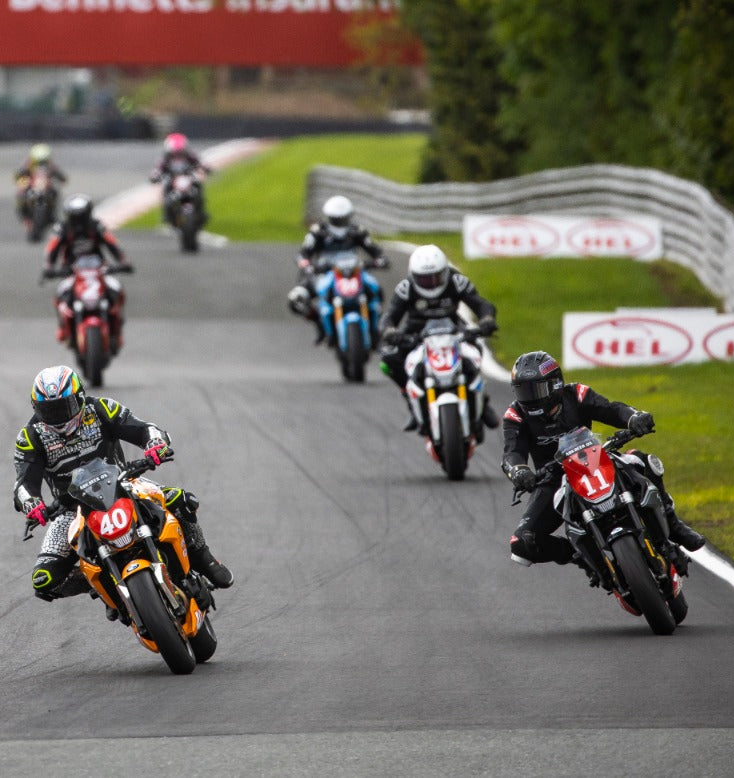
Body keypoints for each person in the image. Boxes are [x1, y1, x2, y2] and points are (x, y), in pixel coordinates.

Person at [14, 365, 234, 602]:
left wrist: (155, 444)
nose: (58, 417)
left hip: (123, 486)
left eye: (63, 407)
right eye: (50, 410)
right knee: (44, 580)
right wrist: (32, 504)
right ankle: (103, 584)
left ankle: (205, 559)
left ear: (79, 398)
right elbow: (24, 485)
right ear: (36, 408)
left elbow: (143, 429)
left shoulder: (100, 409)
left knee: (182, 500)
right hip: (71, 510)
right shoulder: (30, 437)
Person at [501, 350, 706, 572]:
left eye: (535, 390)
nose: (529, 399)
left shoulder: (577, 394)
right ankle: (580, 555)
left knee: (641, 460)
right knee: (521, 543)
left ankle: (672, 525)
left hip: (595, 461)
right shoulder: (515, 415)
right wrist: (519, 471)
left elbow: (611, 409)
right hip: (553, 480)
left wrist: (634, 417)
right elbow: (512, 452)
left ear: (555, 384)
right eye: (523, 392)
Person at [378, 244, 498, 430]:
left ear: (444, 271)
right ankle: (411, 400)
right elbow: (390, 316)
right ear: (414, 275)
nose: (431, 282)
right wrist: (389, 331)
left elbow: (481, 304)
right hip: (416, 331)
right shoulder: (406, 287)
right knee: (389, 359)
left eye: (435, 277)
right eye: (424, 279)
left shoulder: (457, 280)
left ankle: (483, 402)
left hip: (453, 327)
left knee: (475, 350)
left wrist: (487, 319)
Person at [288, 195, 389, 344]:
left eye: (342, 218)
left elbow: (375, 250)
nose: (339, 223)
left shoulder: (357, 232)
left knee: (376, 290)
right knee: (296, 298)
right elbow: (303, 253)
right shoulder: (318, 232)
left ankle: (376, 328)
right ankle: (320, 324)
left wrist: (379, 260)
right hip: (325, 274)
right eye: (336, 219)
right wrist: (305, 264)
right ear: (329, 217)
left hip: (354, 273)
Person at [43, 194, 131, 352]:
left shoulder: (97, 227)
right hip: (71, 271)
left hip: (98, 270)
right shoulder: (62, 229)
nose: (79, 223)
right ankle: (63, 328)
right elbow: (52, 249)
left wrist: (122, 261)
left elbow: (112, 244)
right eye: (75, 218)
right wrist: (49, 267)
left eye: (81, 217)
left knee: (116, 289)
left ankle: (116, 331)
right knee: (61, 293)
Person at [148, 132, 209, 226]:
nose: (178, 155)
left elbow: (200, 163)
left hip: (187, 178)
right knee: (166, 189)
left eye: (180, 152)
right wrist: (155, 176)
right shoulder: (165, 159)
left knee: (198, 186)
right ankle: (167, 214)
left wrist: (206, 168)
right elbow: (157, 169)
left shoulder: (190, 156)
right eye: (175, 153)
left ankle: (201, 211)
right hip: (172, 180)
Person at [13, 143, 67, 227]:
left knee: (55, 192)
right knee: (20, 193)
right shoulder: (28, 164)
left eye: (44, 161)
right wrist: (21, 178)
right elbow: (19, 174)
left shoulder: (51, 165)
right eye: (39, 162)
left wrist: (61, 178)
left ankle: (51, 213)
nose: (41, 164)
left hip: (46, 188)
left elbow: (61, 176)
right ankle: (24, 214)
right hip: (32, 186)